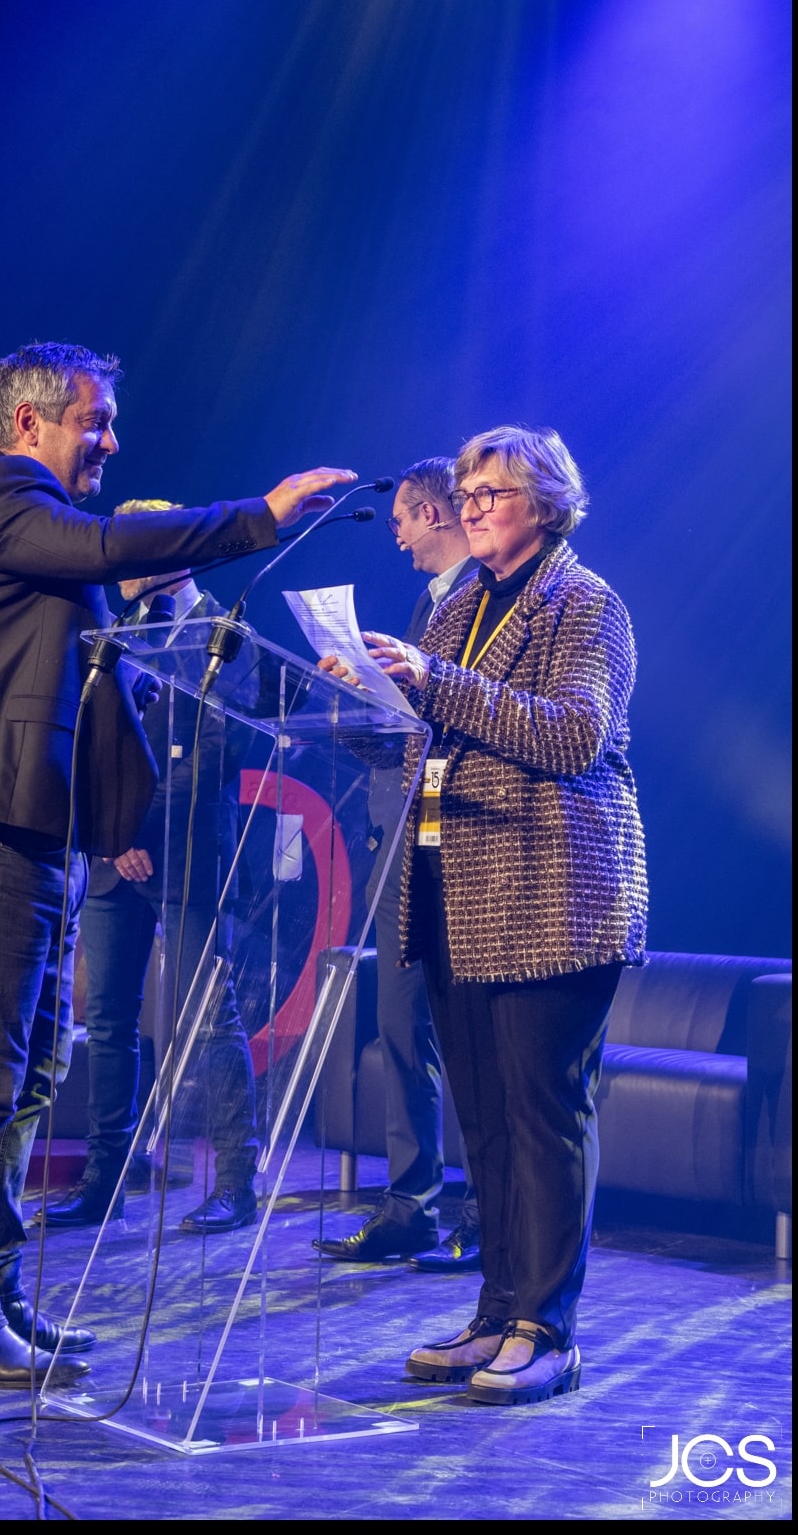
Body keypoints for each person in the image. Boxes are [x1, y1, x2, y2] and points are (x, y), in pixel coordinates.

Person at [0, 339, 355, 1390]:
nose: (110, 439)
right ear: (29, 423)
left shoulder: (20, 525)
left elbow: (69, 675)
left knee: (24, 1075)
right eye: (93, 420)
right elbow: (107, 548)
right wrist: (260, 516)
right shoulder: (0, 493)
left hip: (32, 830)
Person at [319, 424, 646, 1405]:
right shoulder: (459, 605)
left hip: (552, 890)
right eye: (463, 494)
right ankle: (498, 1310)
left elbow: (576, 733)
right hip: (454, 888)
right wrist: (366, 700)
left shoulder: (584, 602)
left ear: (545, 502)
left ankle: (548, 1330)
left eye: (489, 493)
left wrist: (434, 682)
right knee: (485, 1121)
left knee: (542, 1115)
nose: (470, 509)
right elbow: (421, 740)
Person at [42, 499, 261, 1237]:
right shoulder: (117, 633)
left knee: (208, 1015)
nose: (122, 566)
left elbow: (216, 755)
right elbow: (92, 743)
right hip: (114, 858)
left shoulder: (227, 634)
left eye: (138, 551)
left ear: (172, 557)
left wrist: (136, 827)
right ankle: (106, 1178)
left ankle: (236, 1182)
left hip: (185, 854)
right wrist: (111, 835)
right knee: (108, 1019)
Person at [313, 458, 481, 1268]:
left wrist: (400, 688)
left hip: (467, 835)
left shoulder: (488, 593)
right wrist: (355, 696)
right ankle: (410, 1203)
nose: (399, 540)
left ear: (431, 512)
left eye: (402, 522)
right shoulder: (427, 604)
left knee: (472, 1033)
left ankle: (486, 1213)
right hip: (405, 830)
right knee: (400, 1024)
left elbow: (476, 714)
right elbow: (406, 735)